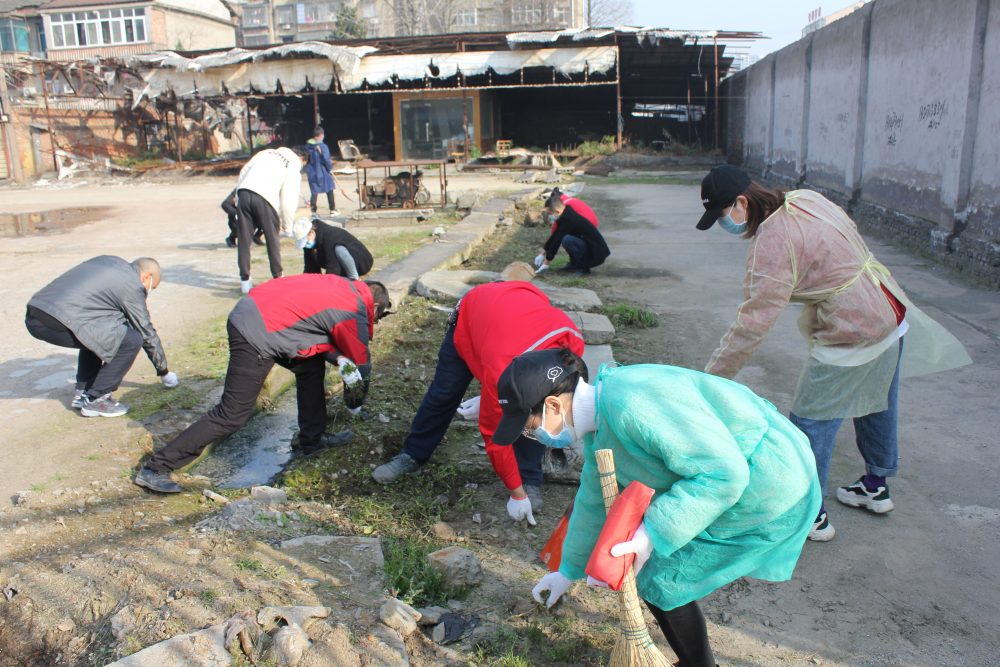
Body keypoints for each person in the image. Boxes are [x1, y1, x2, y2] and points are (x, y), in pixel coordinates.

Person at [695, 165, 970, 542]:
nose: (724, 223)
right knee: (876, 402)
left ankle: (811, 514)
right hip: (887, 306)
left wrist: (708, 379)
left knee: (810, 421)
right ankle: (875, 486)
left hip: (853, 327)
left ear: (742, 202)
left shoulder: (771, 242)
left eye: (723, 214)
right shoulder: (805, 198)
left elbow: (753, 322)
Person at [499, 348, 820, 667]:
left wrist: (652, 532)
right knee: (657, 571)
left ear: (554, 405)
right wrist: (567, 571)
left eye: (529, 426)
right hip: (739, 474)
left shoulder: (632, 405)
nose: (531, 435)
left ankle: (699, 665)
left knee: (660, 577)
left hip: (770, 480)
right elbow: (593, 501)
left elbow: (725, 474)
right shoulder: (601, 423)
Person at [133, 274, 392, 493]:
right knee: (232, 414)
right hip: (255, 331)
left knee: (310, 368)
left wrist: (339, 359)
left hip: (262, 314)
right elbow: (361, 367)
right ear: (376, 308)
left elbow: (314, 329)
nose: (374, 323)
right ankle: (156, 468)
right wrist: (355, 406)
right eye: (377, 319)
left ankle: (312, 440)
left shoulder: (342, 287)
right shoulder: (354, 310)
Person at [371, 281, 585, 524]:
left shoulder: (571, 350)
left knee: (536, 415)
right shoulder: (501, 369)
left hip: (514, 309)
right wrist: (516, 495)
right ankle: (413, 454)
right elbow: (495, 438)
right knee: (444, 394)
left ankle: (529, 478)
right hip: (471, 318)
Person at [25, 256, 178, 418]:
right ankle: (97, 399)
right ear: (147, 277)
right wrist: (164, 371)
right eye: (151, 287)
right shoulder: (131, 284)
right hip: (58, 319)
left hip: (36, 313)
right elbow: (145, 331)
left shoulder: (108, 262)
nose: (147, 292)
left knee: (99, 334)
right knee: (132, 340)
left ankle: (83, 392)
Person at [235, 146, 308, 294]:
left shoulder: (267, 152)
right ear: (302, 159)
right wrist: (288, 226)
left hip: (244, 192)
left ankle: (245, 281)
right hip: (266, 198)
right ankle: (278, 276)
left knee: (244, 240)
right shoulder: (293, 164)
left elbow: (244, 170)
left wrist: (239, 194)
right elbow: (289, 199)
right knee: (272, 239)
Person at [533, 190, 610, 276]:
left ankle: (583, 268)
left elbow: (557, 241)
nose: (549, 216)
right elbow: (555, 236)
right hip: (588, 246)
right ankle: (574, 264)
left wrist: (546, 262)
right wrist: (543, 253)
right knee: (567, 239)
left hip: (596, 252)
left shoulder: (568, 219)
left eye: (549, 213)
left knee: (567, 240)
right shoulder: (565, 213)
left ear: (557, 211)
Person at [291, 218, 374, 279]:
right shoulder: (309, 244)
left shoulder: (330, 235)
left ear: (312, 232)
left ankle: (354, 278)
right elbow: (310, 268)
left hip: (362, 262)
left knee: (339, 249)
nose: (306, 245)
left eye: (305, 241)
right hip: (340, 266)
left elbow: (333, 268)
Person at [306, 127, 350, 215]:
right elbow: (326, 160)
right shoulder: (323, 146)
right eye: (323, 135)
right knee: (329, 189)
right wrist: (330, 167)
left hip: (312, 173)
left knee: (314, 192)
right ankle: (332, 209)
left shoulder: (308, 146)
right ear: (321, 135)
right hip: (323, 172)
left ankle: (313, 211)